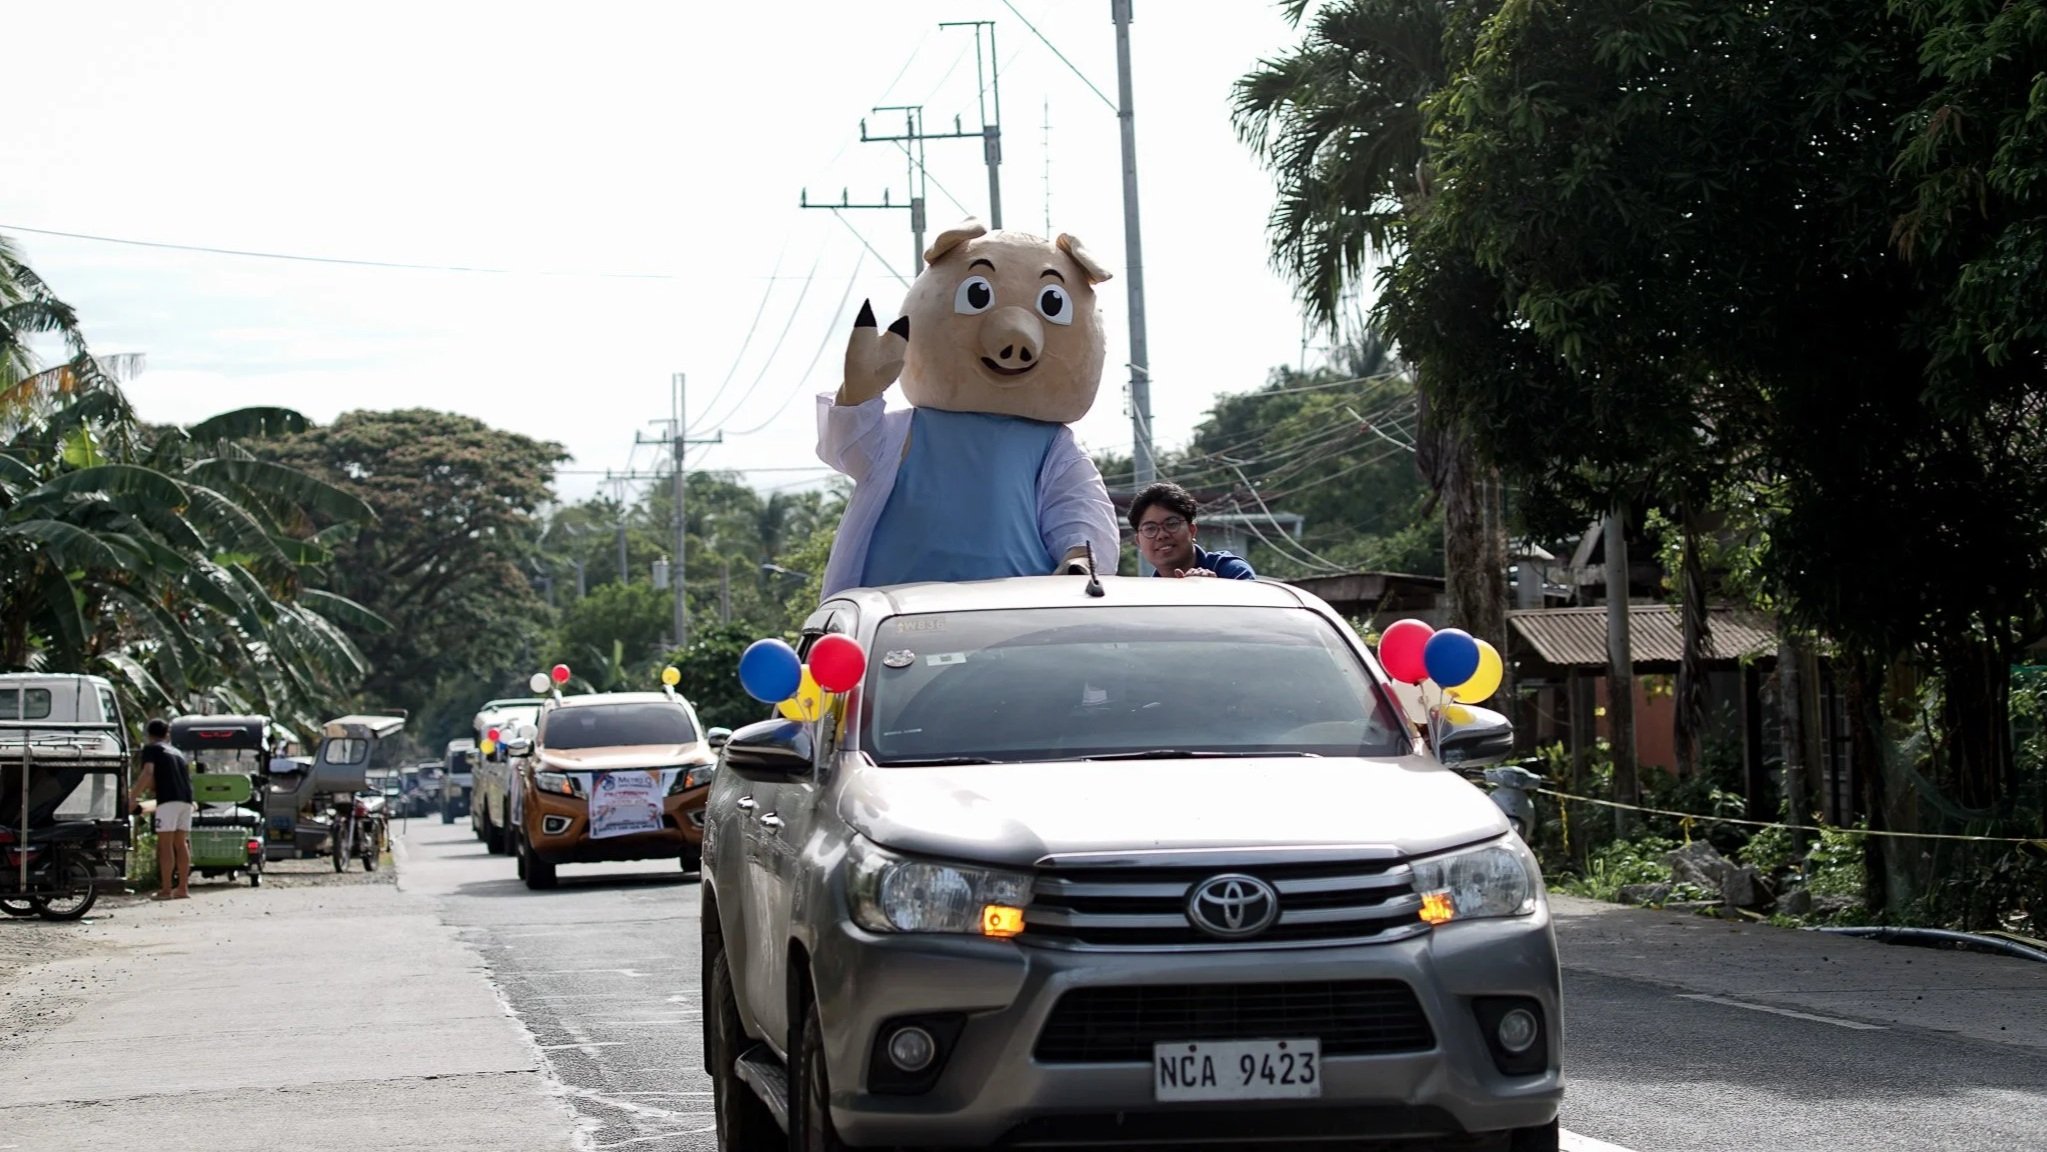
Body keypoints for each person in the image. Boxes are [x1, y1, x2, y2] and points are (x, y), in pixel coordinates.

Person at [1129, 481, 1257, 580]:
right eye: (1150, 528)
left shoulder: (1230, 571)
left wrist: (1214, 592)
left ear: (1192, 530)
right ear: (1138, 542)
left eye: (1171, 524)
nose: (1161, 535)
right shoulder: (1146, 595)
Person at [132, 718, 193, 900]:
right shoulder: (178, 753)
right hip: (186, 799)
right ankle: (182, 888)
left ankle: (166, 890)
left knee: (165, 844)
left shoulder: (151, 749)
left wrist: (132, 796)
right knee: (181, 843)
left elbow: (148, 773)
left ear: (149, 734)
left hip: (168, 800)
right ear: (167, 734)